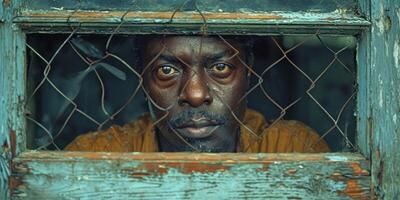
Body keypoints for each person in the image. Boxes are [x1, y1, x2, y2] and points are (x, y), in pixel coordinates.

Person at [65, 35, 330, 153]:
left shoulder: (290, 149)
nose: (194, 94)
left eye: (220, 68)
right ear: (143, 78)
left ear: (248, 72)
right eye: (166, 70)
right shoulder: (98, 156)